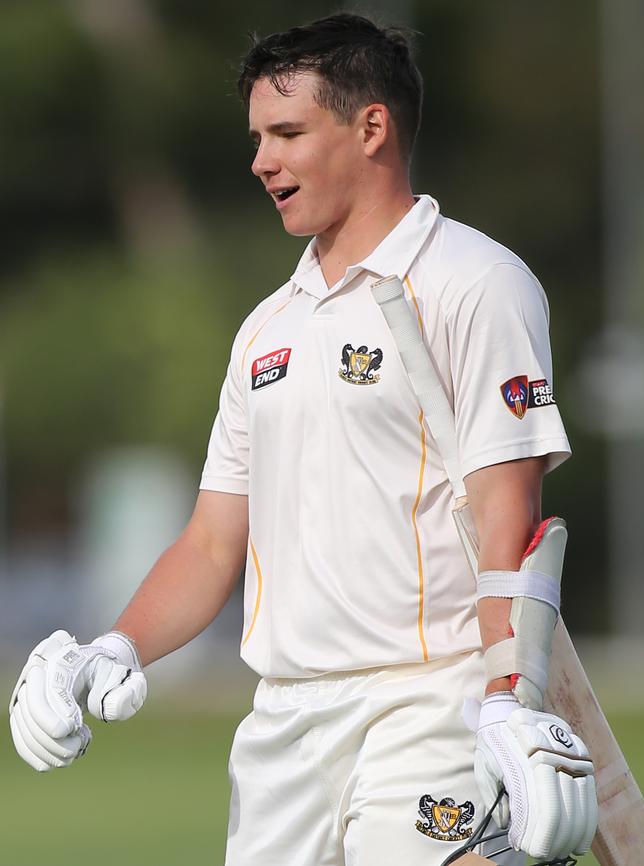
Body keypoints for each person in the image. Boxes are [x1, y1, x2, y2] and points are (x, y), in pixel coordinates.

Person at [9, 13, 598, 866]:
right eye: (256, 138)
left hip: (428, 705)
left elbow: (512, 524)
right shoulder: (265, 330)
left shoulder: (478, 284)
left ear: (371, 128)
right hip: (282, 724)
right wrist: (114, 646)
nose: (260, 161)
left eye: (286, 133)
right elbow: (214, 541)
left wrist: (510, 698)